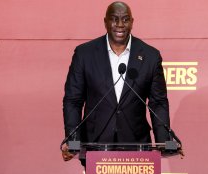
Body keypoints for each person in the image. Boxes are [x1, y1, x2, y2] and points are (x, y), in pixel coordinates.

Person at [62, 1, 171, 161]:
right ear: (105, 21)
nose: (120, 25)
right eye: (114, 19)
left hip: (137, 145)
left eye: (125, 19)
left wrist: (164, 142)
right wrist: (73, 140)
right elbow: (73, 100)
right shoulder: (84, 54)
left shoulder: (150, 56)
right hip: (96, 144)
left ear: (132, 22)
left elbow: (158, 102)